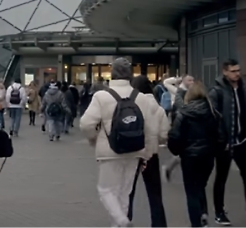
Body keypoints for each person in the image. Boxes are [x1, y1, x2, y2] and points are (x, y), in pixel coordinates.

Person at [80, 58, 164, 228]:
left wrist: (94, 138)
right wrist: (147, 153)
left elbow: (86, 124)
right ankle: (119, 223)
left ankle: (121, 221)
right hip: (135, 151)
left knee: (106, 190)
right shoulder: (141, 97)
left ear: (112, 73)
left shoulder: (101, 96)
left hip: (109, 152)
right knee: (124, 193)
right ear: (130, 75)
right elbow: (151, 129)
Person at [208, 59, 246, 227]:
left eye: (238, 70)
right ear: (225, 72)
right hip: (225, 143)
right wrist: (221, 138)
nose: (237, 73)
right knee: (221, 177)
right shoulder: (217, 91)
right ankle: (219, 212)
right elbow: (213, 116)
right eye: (233, 71)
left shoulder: (244, 88)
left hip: (242, 140)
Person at [168, 81, 219, 227]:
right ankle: (203, 213)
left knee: (191, 191)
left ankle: (196, 222)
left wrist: (177, 151)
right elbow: (221, 135)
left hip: (189, 157)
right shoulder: (213, 112)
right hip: (207, 156)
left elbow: (175, 136)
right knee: (200, 185)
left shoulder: (183, 113)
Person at [127, 75, 168, 227]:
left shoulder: (130, 105)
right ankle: (158, 224)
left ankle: (124, 222)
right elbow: (164, 136)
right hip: (151, 155)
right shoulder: (158, 108)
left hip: (132, 154)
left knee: (128, 193)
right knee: (155, 194)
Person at [161, 75, 194, 182]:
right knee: (184, 150)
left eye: (193, 80)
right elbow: (166, 82)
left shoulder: (192, 91)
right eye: (189, 80)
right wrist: (176, 79)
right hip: (179, 119)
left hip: (188, 121)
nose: (192, 82)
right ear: (183, 81)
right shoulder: (177, 90)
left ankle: (169, 168)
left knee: (185, 150)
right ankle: (169, 168)